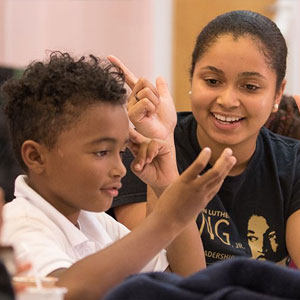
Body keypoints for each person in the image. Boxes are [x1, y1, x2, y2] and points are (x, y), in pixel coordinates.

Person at [0, 52, 235, 300]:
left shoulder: (95, 222)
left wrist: (166, 185)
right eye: (102, 152)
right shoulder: (20, 227)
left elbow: (186, 282)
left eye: (122, 151)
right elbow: (65, 292)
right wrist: (168, 219)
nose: (120, 168)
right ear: (36, 157)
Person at [108, 10, 300, 267]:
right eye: (212, 81)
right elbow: (150, 268)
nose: (227, 100)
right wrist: (161, 148)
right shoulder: (145, 145)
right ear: (192, 78)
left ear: (278, 94)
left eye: (250, 86)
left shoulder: (294, 164)